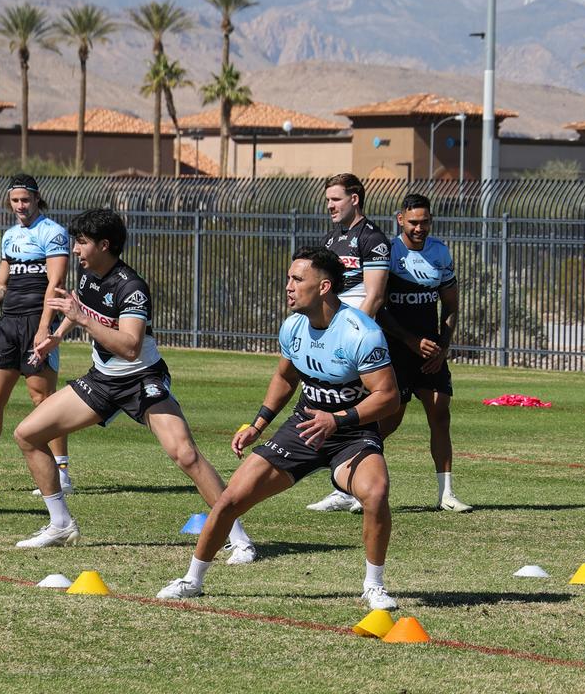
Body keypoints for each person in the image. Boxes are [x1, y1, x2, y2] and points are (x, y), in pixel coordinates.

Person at [157, 246, 400, 609]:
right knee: (229, 501)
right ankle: (192, 580)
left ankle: (374, 586)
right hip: (303, 427)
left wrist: (337, 420)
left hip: (349, 433)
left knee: (376, 494)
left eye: (297, 279)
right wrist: (258, 424)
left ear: (324, 287)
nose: (288, 286)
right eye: (289, 277)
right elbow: (285, 379)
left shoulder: (361, 332)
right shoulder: (293, 327)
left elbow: (388, 396)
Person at [13, 207, 255, 562]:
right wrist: (58, 335)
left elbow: (129, 347)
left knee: (185, 454)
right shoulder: (87, 276)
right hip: (101, 381)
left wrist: (80, 319)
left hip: (143, 380)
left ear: (104, 245)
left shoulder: (131, 288)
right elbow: (82, 306)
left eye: (81, 243)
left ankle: (239, 538)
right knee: (27, 434)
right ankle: (60, 523)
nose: (75, 250)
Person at [0, 174, 73, 495]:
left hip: (36, 322)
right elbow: (1, 285)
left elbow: (56, 283)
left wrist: (43, 327)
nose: (20, 206)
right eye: (15, 200)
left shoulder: (53, 233)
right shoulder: (9, 237)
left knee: (43, 401)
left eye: (25, 200)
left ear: (37, 199)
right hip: (8, 325)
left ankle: (62, 474)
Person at [377, 193, 471, 512]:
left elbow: (452, 305)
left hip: (431, 354)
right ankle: (347, 484)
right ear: (400, 219)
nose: (420, 228)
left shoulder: (440, 253)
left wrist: (442, 347)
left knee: (440, 416)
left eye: (425, 222)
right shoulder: (389, 252)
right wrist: (409, 341)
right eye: (414, 222)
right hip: (396, 350)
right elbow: (380, 308)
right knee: (389, 421)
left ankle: (446, 494)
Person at [307, 172, 391, 513]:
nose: (329, 205)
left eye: (335, 199)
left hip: (358, 344)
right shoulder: (332, 240)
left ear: (354, 199)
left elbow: (375, 296)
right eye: (328, 199)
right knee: (332, 407)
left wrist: (351, 334)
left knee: (360, 414)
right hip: (335, 337)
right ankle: (346, 484)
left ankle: (360, 485)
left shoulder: (374, 239)